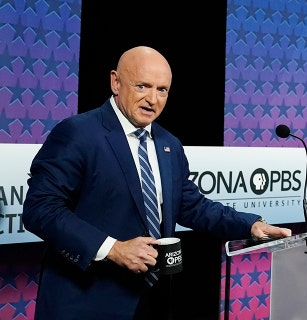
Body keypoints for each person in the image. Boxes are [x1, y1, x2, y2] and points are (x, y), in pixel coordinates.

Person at [22, 46, 292, 320]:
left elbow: (192, 205)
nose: (152, 99)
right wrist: (113, 249)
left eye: (162, 90)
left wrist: (251, 225)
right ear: (116, 82)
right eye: (142, 86)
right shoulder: (78, 133)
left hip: (151, 301)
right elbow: (40, 209)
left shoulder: (168, 144)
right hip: (84, 303)